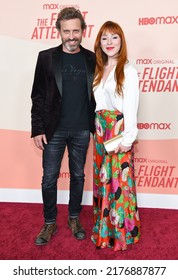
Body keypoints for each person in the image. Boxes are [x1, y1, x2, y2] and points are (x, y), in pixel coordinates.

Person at [31, 7, 96, 245]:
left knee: (78, 176)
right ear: (58, 30)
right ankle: (49, 223)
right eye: (66, 31)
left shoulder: (92, 58)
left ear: (83, 31)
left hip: (81, 129)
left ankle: (74, 218)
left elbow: (98, 95)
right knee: (49, 178)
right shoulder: (46, 57)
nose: (71, 36)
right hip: (53, 131)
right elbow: (37, 96)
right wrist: (37, 129)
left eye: (76, 31)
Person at [91, 21, 141, 251]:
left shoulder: (128, 71)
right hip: (100, 134)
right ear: (99, 42)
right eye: (104, 38)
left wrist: (127, 140)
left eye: (114, 38)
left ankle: (121, 234)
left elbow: (131, 108)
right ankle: (104, 230)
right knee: (103, 182)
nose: (109, 43)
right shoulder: (98, 69)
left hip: (118, 134)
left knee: (119, 184)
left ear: (122, 41)